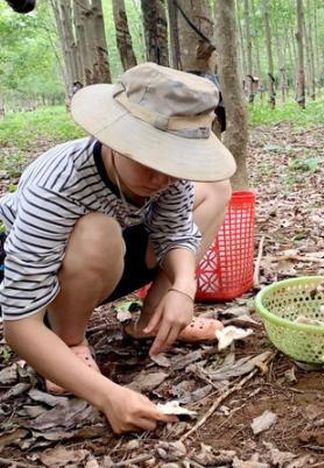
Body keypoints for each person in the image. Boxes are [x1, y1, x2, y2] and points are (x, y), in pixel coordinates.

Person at [0, 63, 236, 433]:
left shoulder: (169, 174)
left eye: (174, 163)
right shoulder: (58, 186)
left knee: (216, 187)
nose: (162, 177)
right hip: (51, 275)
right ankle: (70, 342)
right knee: (99, 230)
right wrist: (110, 396)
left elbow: (176, 232)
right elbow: (18, 322)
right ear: (115, 137)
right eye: (150, 160)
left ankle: (154, 320)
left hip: (117, 255)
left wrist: (183, 288)